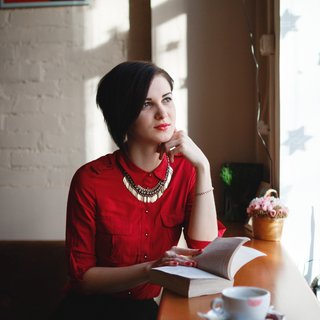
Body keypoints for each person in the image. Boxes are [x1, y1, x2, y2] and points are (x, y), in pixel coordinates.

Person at [54, 61, 225, 320]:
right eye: (147, 104)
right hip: (88, 310)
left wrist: (203, 167)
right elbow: (83, 278)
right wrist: (151, 270)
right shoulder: (90, 180)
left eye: (166, 99)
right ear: (123, 113)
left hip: (143, 310)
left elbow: (205, 248)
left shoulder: (186, 172)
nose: (162, 113)